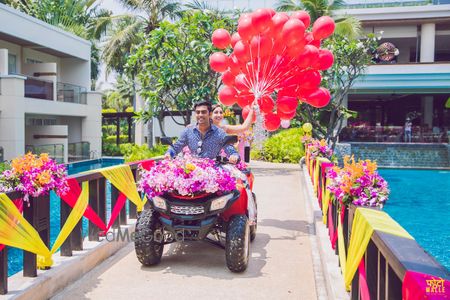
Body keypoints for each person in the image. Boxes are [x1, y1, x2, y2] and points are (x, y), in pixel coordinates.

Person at [164, 100, 239, 163]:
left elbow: (232, 151)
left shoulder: (220, 133)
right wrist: (169, 153)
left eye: (203, 112)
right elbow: (175, 147)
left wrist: (234, 156)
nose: (200, 115)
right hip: (192, 171)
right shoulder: (188, 131)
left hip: (213, 172)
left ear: (209, 114)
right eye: (198, 112)